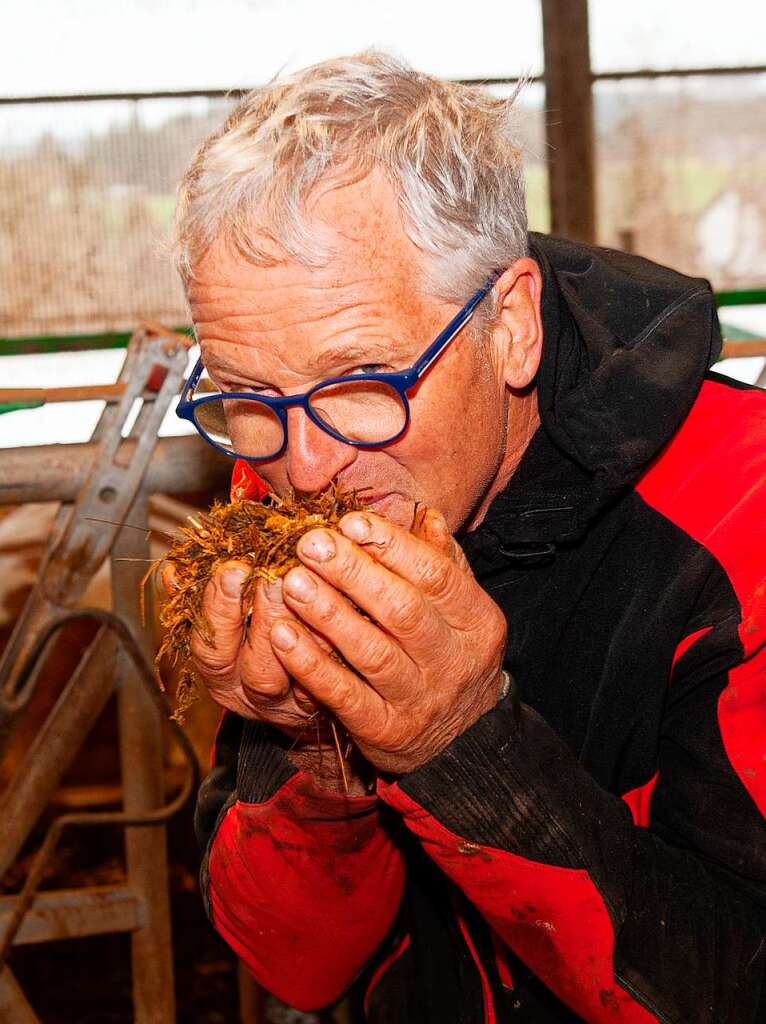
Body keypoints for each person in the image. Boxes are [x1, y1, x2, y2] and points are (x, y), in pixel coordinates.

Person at [172, 52, 766, 1022]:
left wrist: (463, 743)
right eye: (246, 397)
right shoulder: (284, 467)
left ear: (512, 324)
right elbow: (300, 966)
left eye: (364, 379)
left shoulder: (745, 521)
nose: (304, 472)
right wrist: (313, 752)